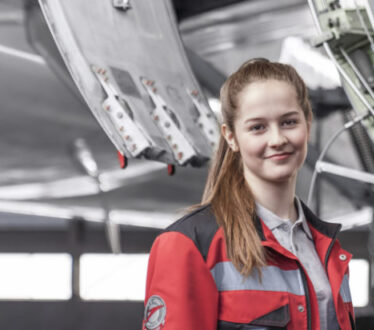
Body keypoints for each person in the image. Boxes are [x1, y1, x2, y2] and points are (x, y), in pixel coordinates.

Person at [142, 59, 354, 330]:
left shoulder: (328, 250)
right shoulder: (190, 245)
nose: (277, 139)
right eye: (257, 127)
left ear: (307, 124)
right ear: (231, 137)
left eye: (289, 122)